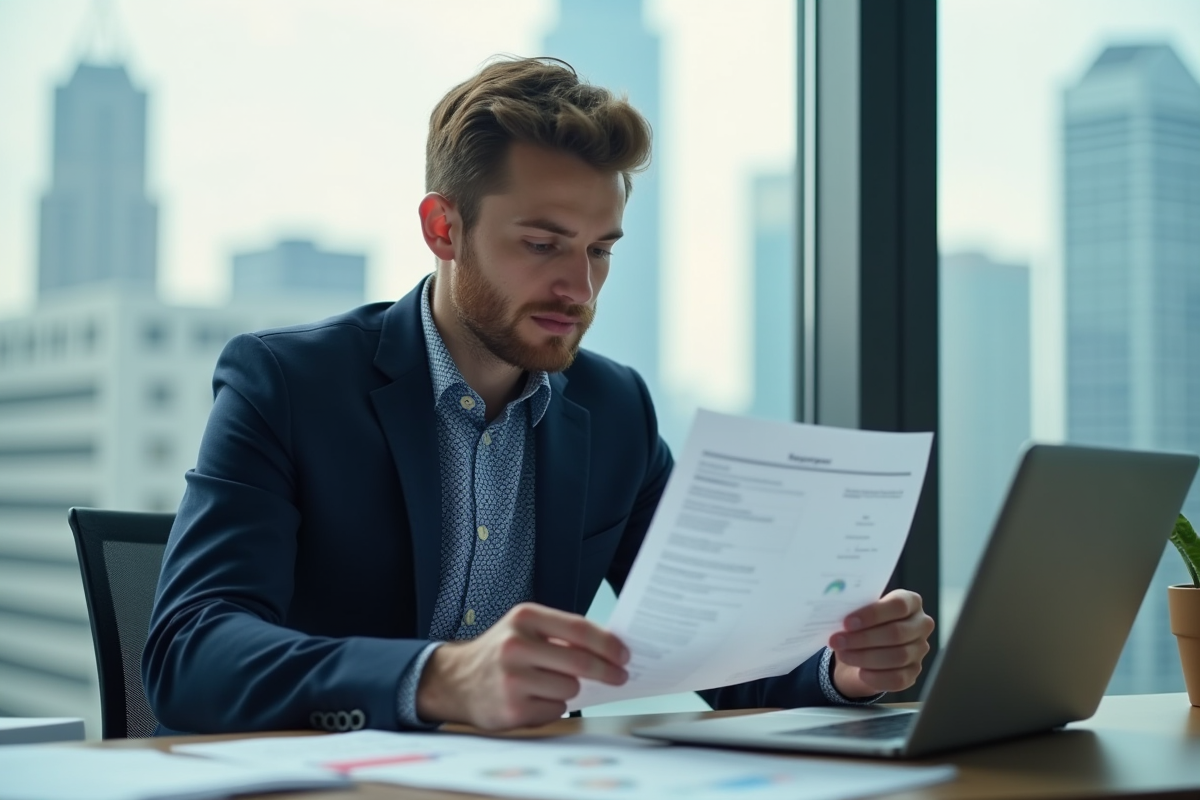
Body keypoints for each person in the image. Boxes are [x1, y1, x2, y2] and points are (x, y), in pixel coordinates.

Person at [143, 56, 934, 735]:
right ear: (443, 229)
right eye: (543, 244)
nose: (579, 288)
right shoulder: (289, 384)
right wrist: (440, 678)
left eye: (600, 250)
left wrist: (843, 671)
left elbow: (717, 657)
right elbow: (189, 653)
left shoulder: (616, 410)